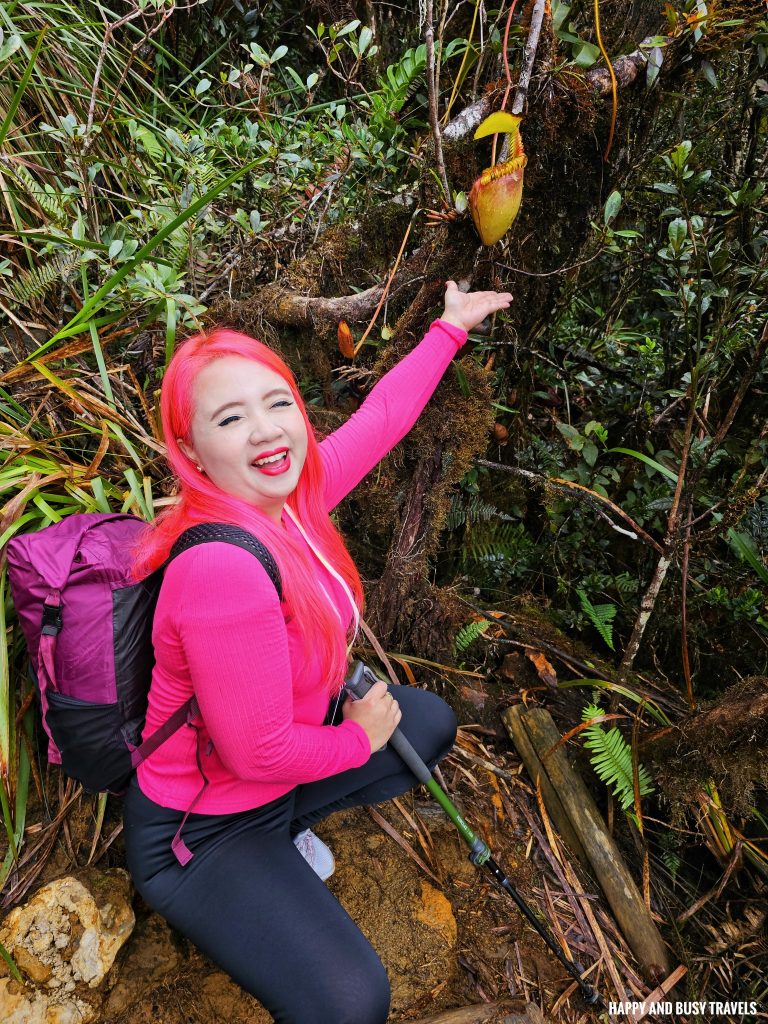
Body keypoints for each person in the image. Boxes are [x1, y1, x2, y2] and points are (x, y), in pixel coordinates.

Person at [123, 280, 513, 1024]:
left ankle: (288, 833)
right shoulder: (222, 568)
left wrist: (449, 330)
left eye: (277, 403)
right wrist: (355, 736)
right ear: (190, 452)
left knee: (425, 727)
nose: (268, 431)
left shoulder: (293, 500)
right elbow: (258, 754)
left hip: (269, 787)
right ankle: (258, 864)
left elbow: (384, 419)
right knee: (351, 1002)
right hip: (202, 829)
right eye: (231, 418)